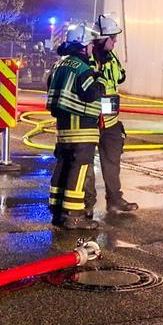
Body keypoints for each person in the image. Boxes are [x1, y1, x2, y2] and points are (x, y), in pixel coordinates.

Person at [45, 22, 104, 230]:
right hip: (82, 129)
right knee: (78, 170)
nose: (91, 49)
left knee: (63, 166)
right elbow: (91, 93)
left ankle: (58, 212)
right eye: (90, 45)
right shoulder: (82, 68)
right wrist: (101, 80)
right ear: (84, 46)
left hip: (64, 129)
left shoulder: (60, 65)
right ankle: (73, 216)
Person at [86, 14, 138, 215]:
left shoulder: (112, 57)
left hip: (111, 120)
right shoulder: (88, 57)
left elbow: (120, 77)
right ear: (101, 38)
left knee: (112, 160)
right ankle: (86, 204)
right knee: (86, 163)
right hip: (91, 119)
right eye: (112, 38)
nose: (115, 41)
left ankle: (115, 199)